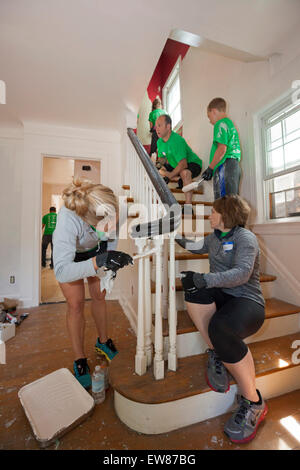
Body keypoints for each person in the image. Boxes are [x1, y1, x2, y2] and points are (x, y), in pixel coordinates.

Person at [180, 195, 268, 444]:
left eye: (214, 212)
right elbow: (195, 247)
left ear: (226, 214)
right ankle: (216, 352)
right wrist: (172, 235)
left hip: (247, 301)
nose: (209, 215)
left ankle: (254, 402)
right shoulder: (213, 238)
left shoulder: (245, 238)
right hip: (223, 294)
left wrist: (206, 279)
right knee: (192, 289)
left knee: (220, 327)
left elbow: (241, 274)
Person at [53, 178, 133, 389]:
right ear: (88, 221)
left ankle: (103, 342)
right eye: (107, 224)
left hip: (97, 250)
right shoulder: (67, 220)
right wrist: (98, 262)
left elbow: (112, 237)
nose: (113, 226)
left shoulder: (118, 208)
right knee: (76, 304)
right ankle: (80, 359)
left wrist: (110, 259)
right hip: (72, 257)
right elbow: (62, 272)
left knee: (99, 295)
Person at [156, 114, 202, 211]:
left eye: (159, 125)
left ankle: (188, 207)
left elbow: (183, 164)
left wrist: (169, 176)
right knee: (159, 170)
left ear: (168, 126)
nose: (157, 129)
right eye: (156, 126)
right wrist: (159, 165)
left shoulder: (177, 140)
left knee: (184, 172)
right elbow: (162, 159)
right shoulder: (159, 142)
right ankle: (178, 178)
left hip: (192, 163)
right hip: (175, 164)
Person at [202, 98, 241, 200]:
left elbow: (221, 149)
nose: (210, 121)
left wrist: (210, 168)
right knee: (231, 203)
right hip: (233, 166)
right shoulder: (229, 124)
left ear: (214, 111)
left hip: (225, 166)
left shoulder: (220, 124)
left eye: (209, 116)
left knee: (222, 205)